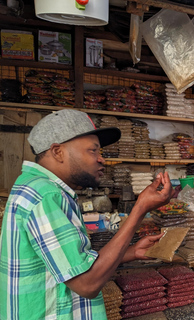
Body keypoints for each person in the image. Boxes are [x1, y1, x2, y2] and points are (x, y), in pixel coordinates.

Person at [0, 109, 173, 320]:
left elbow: (70, 263)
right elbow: (86, 283)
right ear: (57, 152)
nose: (102, 160)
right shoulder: (47, 196)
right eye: (93, 151)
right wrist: (139, 209)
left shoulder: (34, 186)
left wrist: (132, 252)